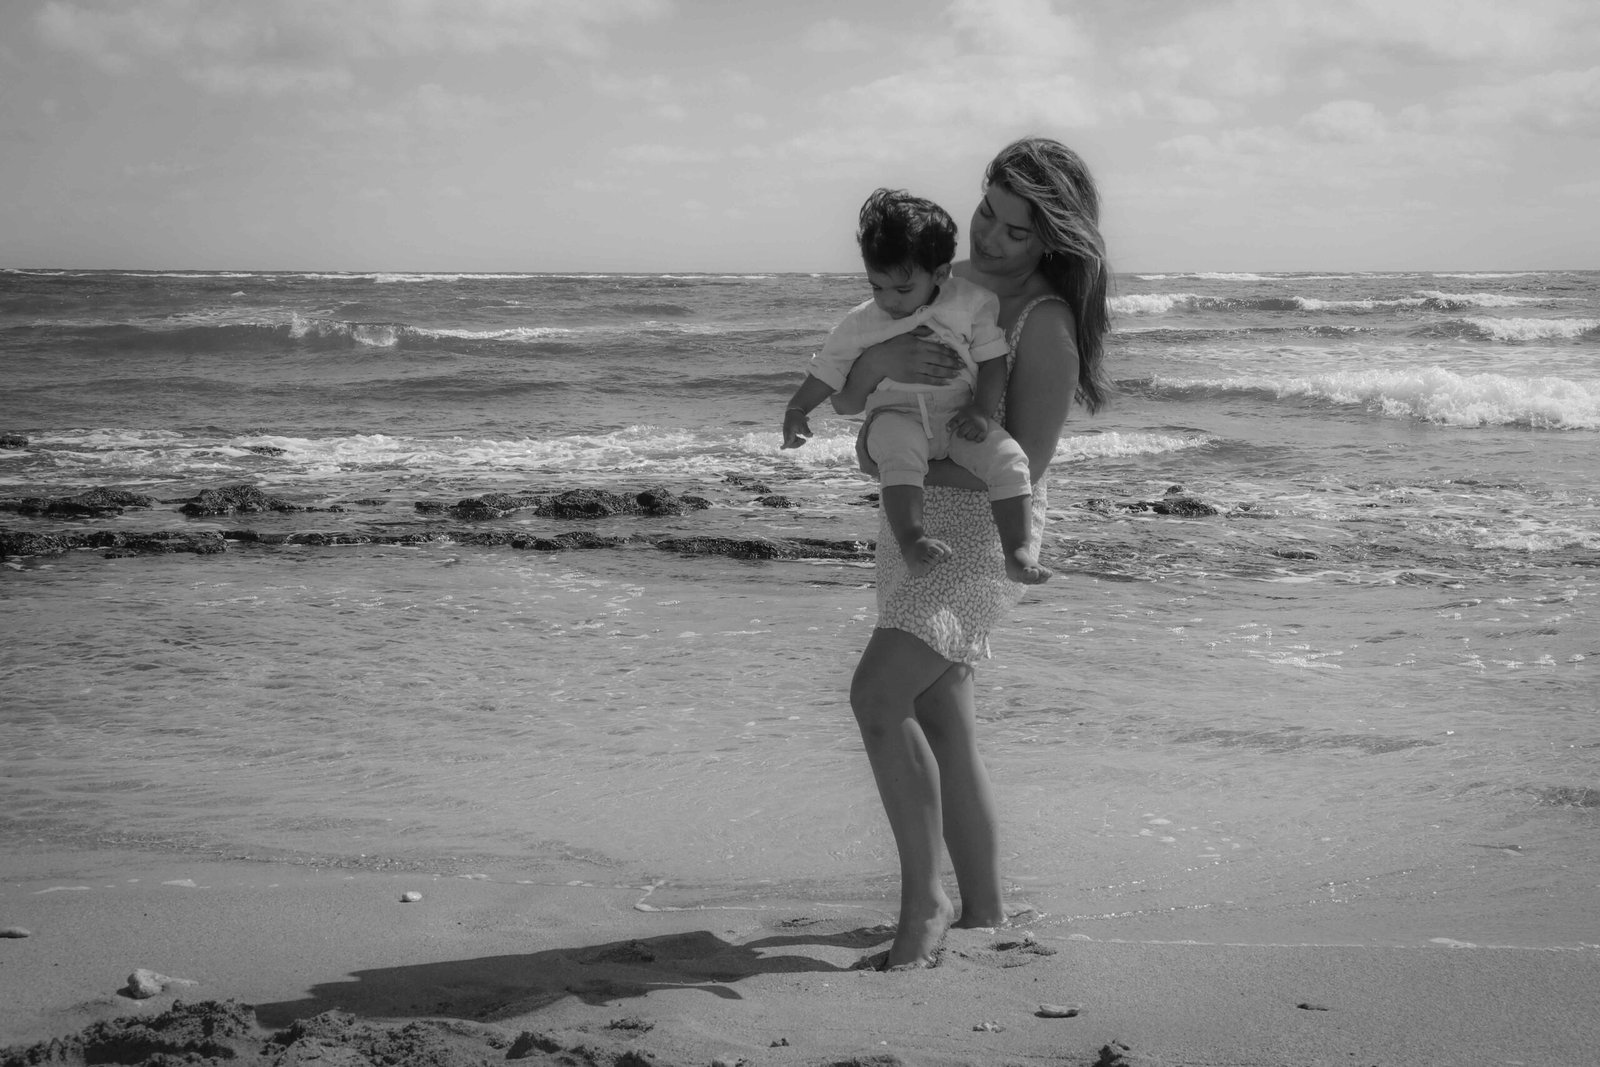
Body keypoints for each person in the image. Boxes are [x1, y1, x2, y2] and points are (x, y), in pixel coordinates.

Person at [833, 138, 1112, 970]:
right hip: (916, 521)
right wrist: (877, 382)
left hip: (983, 530)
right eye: (988, 212)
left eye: (1016, 231)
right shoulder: (944, 284)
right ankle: (986, 911)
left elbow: (1028, 460)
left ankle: (927, 902)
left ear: (1053, 239)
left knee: (879, 694)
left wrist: (896, 457)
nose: (989, 237)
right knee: (940, 712)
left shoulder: (1043, 323)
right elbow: (864, 386)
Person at [782, 188, 1049, 584]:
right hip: (895, 415)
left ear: (939, 274)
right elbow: (829, 369)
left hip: (957, 416)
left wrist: (980, 409)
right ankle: (912, 540)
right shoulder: (862, 321)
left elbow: (993, 361)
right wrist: (797, 408)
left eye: (902, 289)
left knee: (1009, 459)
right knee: (900, 454)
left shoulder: (971, 304)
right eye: (877, 287)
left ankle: (1017, 551)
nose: (888, 301)